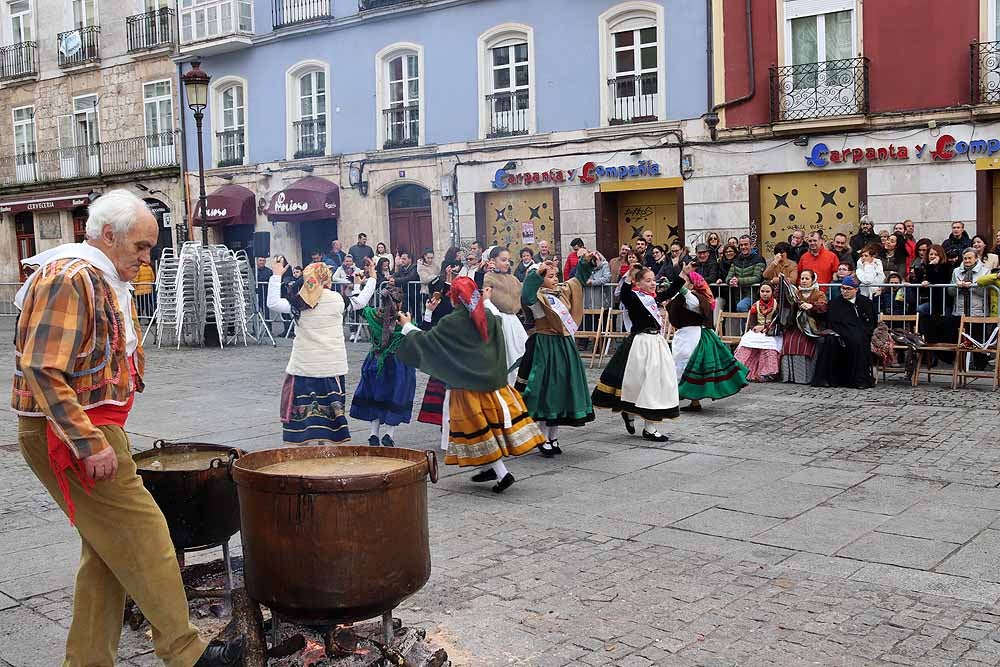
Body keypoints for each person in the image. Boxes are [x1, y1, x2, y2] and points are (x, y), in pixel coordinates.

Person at [12, 190, 244, 666]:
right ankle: (187, 651)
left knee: (107, 552)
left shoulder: (96, 275)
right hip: (74, 432)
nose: (146, 259)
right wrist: (88, 441)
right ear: (109, 235)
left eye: (151, 249)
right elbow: (42, 368)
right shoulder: (70, 277)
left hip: (88, 427)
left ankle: (88, 660)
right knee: (146, 535)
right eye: (140, 247)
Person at [397, 278, 545, 493]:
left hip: (465, 387)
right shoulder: (488, 316)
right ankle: (491, 468)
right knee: (488, 426)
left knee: (477, 430)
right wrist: (485, 301)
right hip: (490, 384)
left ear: (454, 297)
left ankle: (502, 473)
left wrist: (407, 326)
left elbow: (428, 341)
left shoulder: (453, 322)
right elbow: (495, 326)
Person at [268, 258, 377, 443]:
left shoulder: (299, 303)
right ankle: (326, 447)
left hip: (304, 366)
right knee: (331, 416)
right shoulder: (337, 300)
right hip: (331, 367)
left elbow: (273, 303)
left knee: (305, 418)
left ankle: (308, 446)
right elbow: (360, 302)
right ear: (328, 280)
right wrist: (372, 278)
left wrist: (276, 276)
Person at [517, 253, 596, 456]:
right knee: (547, 390)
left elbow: (577, 280)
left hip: (564, 345)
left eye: (555, 275)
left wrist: (586, 262)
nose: (555, 279)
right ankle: (542, 437)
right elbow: (526, 293)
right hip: (545, 345)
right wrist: (537, 274)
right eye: (550, 276)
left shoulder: (561, 292)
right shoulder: (537, 297)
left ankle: (553, 436)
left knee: (561, 389)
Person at [592, 263, 679, 441]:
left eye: (654, 280)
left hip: (657, 344)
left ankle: (648, 425)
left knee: (653, 384)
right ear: (638, 284)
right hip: (641, 345)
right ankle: (636, 417)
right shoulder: (634, 298)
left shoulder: (653, 299)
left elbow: (669, 293)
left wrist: (684, 274)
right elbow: (624, 294)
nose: (653, 283)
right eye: (648, 281)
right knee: (639, 383)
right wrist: (629, 276)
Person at [670, 268, 748, 411]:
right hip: (685, 335)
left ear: (692, 285)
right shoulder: (687, 297)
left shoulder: (693, 298)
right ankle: (694, 402)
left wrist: (682, 274)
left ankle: (677, 400)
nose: (682, 283)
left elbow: (680, 288)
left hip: (692, 336)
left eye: (686, 281)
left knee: (686, 365)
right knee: (685, 365)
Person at [350, 286, 416, 446]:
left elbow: (358, 305)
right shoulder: (404, 321)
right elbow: (413, 337)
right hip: (397, 363)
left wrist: (358, 285)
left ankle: (374, 434)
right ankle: (389, 434)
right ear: (399, 303)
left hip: (375, 360)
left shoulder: (373, 315)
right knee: (396, 396)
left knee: (376, 395)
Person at [812, 275, 878, 388]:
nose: (845, 291)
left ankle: (859, 380)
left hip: (860, 334)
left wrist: (863, 331)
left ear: (856, 289)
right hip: (840, 333)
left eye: (848, 289)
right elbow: (832, 322)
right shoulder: (835, 303)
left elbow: (871, 322)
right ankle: (826, 379)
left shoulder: (866, 303)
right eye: (843, 288)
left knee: (859, 340)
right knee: (829, 341)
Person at [482, 246, 529, 384]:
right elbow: (482, 295)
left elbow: (523, 293)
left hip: (513, 322)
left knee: (520, 352)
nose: (507, 263)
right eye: (503, 260)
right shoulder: (488, 277)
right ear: (493, 261)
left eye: (508, 260)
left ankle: (518, 385)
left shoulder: (513, 279)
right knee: (503, 356)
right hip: (497, 320)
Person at [780, 269, 828, 384]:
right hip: (797, 325)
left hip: (813, 326)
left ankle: (806, 376)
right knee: (788, 340)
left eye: (807, 278)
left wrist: (812, 306)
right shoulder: (797, 293)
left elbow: (823, 308)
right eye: (802, 278)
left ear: (813, 280)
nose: (804, 281)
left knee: (803, 342)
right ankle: (790, 376)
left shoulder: (818, 293)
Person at [734, 282, 782, 382]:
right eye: (762, 291)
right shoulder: (755, 305)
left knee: (770, 345)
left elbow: (778, 321)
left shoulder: (777, 305)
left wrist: (766, 327)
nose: (765, 294)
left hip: (772, 331)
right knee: (746, 341)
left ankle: (769, 372)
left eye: (767, 291)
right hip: (758, 331)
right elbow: (751, 322)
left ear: (772, 292)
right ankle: (739, 369)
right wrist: (756, 328)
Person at [724, 235, 766, 312]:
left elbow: (757, 278)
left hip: (753, 294)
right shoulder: (736, 260)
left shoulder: (759, 259)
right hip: (737, 295)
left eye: (746, 244)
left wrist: (738, 281)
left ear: (751, 245)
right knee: (742, 315)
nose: (743, 247)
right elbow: (729, 276)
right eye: (741, 245)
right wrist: (730, 281)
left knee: (741, 307)